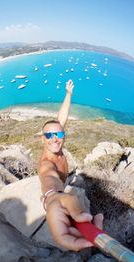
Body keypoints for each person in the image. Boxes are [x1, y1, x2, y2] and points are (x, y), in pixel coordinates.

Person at [38, 79, 103, 251]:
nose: (54, 138)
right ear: (42, 139)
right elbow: (48, 176)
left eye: (58, 134)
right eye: (49, 135)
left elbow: (61, 118)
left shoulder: (56, 142)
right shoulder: (47, 162)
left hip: (63, 183)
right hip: (56, 189)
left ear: (63, 135)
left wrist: (68, 94)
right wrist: (52, 198)